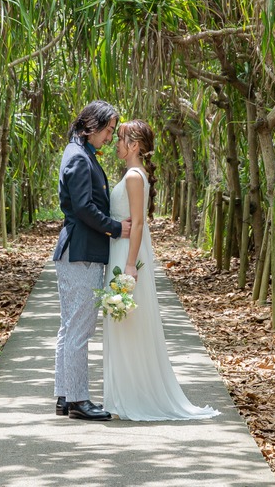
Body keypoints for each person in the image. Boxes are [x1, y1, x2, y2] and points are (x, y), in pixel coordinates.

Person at [103, 119, 218, 421]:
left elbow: (139, 222)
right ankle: (125, 396)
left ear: (134, 145)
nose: (116, 144)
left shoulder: (133, 176)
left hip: (127, 254)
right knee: (124, 322)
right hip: (122, 249)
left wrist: (130, 264)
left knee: (127, 323)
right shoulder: (135, 174)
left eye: (120, 139)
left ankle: (131, 397)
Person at [53, 100, 131, 421]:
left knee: (70, 326)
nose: (110, 138)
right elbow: (84, 207)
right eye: (109, 130)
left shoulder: (79, 153)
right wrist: (116, 228)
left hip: (78, 251)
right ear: (92, 126)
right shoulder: (78, 157)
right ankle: (78, 401)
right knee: (79, 329)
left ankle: (65, 395)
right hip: (81, 252)